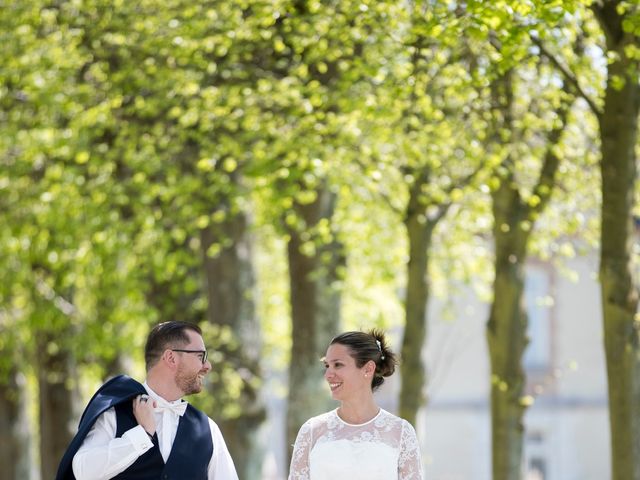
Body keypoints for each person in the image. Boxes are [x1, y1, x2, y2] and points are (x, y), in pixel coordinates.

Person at [55, 321, 239, 480]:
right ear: (171, 358)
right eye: (200, 356)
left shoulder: (207, 429)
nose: (207, 366)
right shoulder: (115, 412)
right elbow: (83, 472)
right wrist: (141, 436)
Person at [288, 329, 423, 480]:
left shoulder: (401, 432)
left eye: (337, 365)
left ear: (368, 369)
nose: (328, 375)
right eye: (327, 366)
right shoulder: (312, 431)